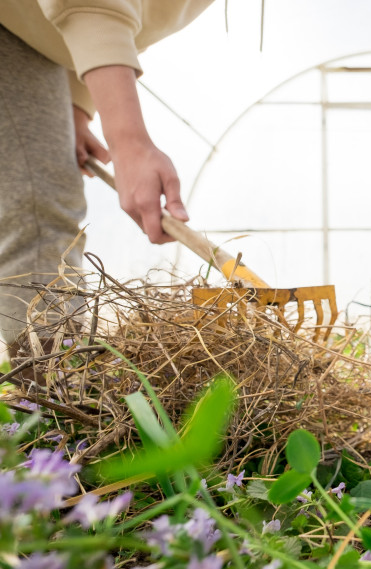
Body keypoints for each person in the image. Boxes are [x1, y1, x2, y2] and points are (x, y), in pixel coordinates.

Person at [0, 0, 215, 360]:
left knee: (46, 201)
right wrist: (128, 141)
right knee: (37, 208)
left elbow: (132, 14)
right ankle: (49, 394)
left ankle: (58, 387)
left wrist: (76, 104)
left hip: (31, 31)